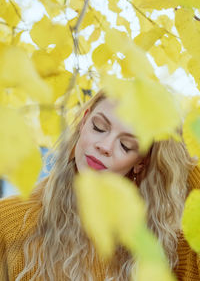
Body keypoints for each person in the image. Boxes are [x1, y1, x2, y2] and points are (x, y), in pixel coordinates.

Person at [0, 88, 200, 281]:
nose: (104, 146)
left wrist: (183, 161)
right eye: (99, 128)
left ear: (141, 162)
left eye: (126, 145)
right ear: (84, 120)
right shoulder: (10, 222)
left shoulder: (161, 244)